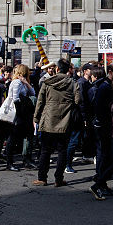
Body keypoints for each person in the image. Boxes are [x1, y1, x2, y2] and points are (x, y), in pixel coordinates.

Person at [32, 59, 80, 187]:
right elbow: (77, 100)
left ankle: (42, 178)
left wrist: (36, 118)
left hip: (48, 119)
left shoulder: (47, 83)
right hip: (65, 120)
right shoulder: (73, 83)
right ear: (67, 69)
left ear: (57, 69)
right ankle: (59, 179)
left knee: (45, 150)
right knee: (62, 150)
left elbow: (40, 102)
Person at [3, 64, 36, 171]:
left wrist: (26, 83)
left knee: (28, 134)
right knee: (12, 138)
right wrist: (25, 102)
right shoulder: (16, 82)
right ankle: (9, 162)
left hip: (23, 113)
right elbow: (15, 98)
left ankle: (27, 159)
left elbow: (33, 93)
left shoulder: (22, 82)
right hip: (17, 113)